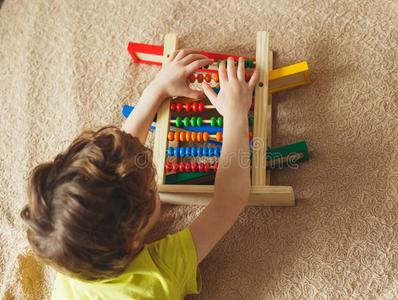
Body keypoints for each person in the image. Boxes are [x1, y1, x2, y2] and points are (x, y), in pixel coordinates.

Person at [20, 48, 259, 299]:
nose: (152, 173)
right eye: (151, 186)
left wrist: (158, 89)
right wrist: (235, 115)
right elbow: (230, 199)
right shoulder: (158, 274)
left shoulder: (69, 253)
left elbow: (119, 161)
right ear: (134, 240)